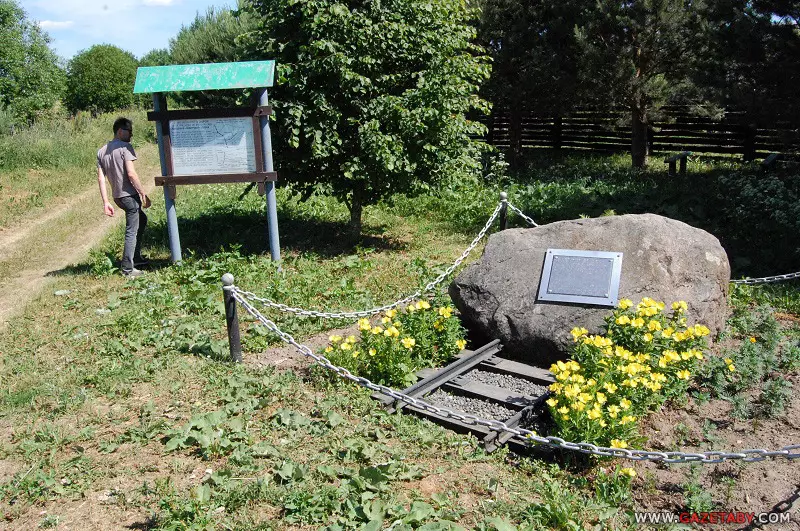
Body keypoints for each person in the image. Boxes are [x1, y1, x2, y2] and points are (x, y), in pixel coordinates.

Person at [97, 117, 151, 277]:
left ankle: (135, 258)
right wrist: (143, 193)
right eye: (130, 131)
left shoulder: (101, 151)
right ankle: (127, 269)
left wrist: (106, 202)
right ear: (120, 131)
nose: (131, 135)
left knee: (142, 219)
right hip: (129, 196)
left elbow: (101, 178)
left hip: (118, 197)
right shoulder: (125, 147)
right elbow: (131, 174)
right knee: (131, 231)